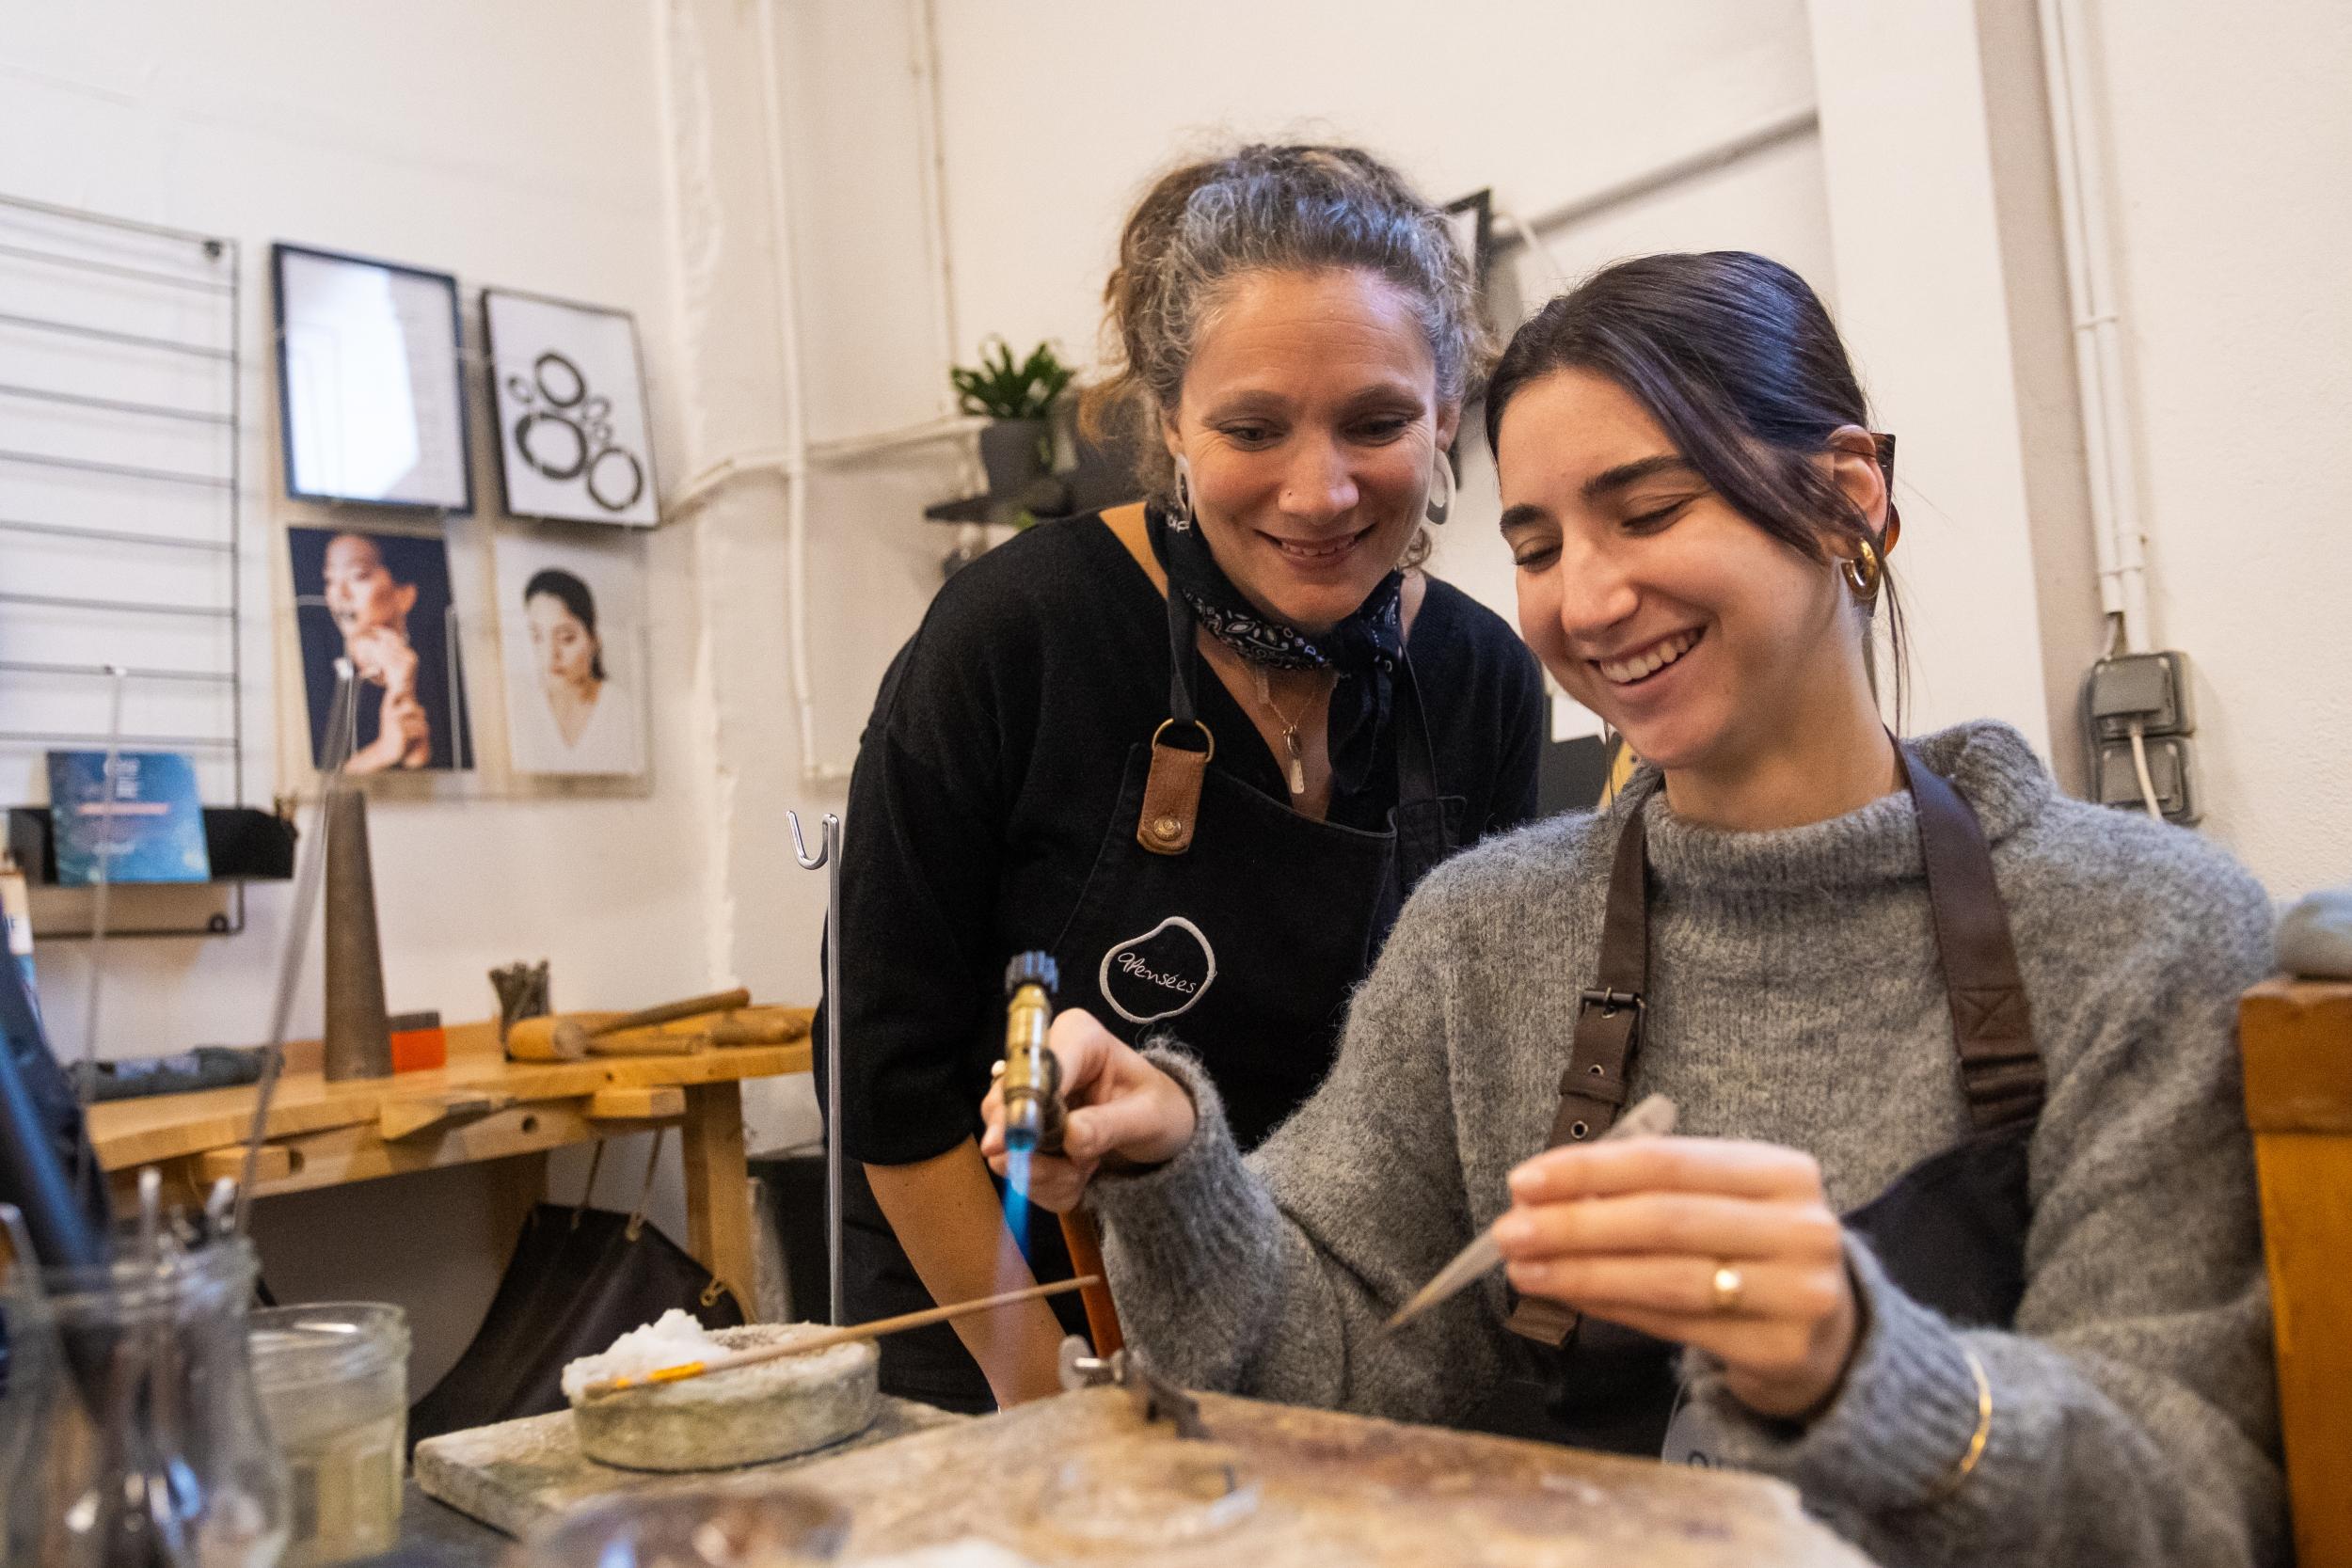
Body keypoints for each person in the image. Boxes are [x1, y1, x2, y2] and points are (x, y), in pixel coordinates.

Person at [984, 252, 2283, 1565]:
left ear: (1848, 494)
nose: (1587, 600)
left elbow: (2194, 1502)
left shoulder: (2143, 930)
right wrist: (1170, 1167)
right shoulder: (1485, 936)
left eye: (1648, 512)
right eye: (1538, 546)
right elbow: (1331, 1373)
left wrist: (1870, 1372)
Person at [827, 144, 1546, 1414]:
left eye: (1376, 421)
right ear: (1167, 421)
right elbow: (887, 1073)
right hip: (1004, 1338)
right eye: (1252, 428)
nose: (1319, 490)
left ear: (1445, 408)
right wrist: (1055, 1401)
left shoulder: (1480, 675)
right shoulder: (1017, 635)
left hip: (1323, 1348)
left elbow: (1465, 1080)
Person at [315, 531, 468, 773]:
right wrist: (382, 752)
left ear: (404, 595)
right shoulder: (318, 672)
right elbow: (316, 785)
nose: (340, 594)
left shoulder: (444, 676)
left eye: (358, 576)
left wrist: (403, 691)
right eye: (330, 579)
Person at [512, 567, 642, 775]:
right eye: (537, 636)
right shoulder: (518, 708)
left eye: (566, 638)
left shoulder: (622, 711)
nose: (550, 654)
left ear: (593, 640)